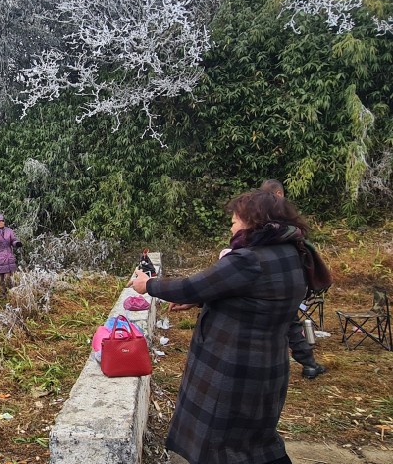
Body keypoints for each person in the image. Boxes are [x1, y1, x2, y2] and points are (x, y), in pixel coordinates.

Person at [128, 190, 309, 464]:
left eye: (236, 219)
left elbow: (194, 285)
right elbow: (255, 298)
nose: (232, 225)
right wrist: (200, 302)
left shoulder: (249, 259)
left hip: (233, 366)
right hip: (267, 364)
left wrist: (149, 285)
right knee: (256, 440)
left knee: (224, 444)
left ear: (255, 221)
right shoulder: (289, 252)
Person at [260, 179, 327, 379]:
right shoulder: (282, 221)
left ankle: (308, 363)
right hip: (283, 281)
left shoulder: (256, 218)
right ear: (279, 194)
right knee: (290, 322)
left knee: (287, 322)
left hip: (265, 282)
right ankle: (308, 363)